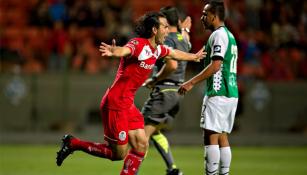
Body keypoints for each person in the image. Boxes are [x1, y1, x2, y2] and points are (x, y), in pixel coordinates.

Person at [56, 11, 205, 175]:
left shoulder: (157, 49)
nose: (167, 30)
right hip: (115, 103)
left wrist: (194, 57)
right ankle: (73, 143)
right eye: (164, 27)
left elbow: (174, 53)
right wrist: (115, 51)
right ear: (155, 30)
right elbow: (125, 50)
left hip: (127, 104)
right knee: (118, 154)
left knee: (142, 144)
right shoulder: (139, 44)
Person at [178, 1, 238, 175]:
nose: (202, 18)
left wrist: (191, 82)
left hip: (218, 93)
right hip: (231, 93)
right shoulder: (230, 35)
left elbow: (216, 65)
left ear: (214, 16)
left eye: (205, 14)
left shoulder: (218, 35)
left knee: (210, 136)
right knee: (222, 136)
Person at [141, 6, 191, 175]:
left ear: (166, 25)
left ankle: (130, 172)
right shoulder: (183, 39)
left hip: (165, 91)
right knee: (154, 132)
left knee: (140, 135)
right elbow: (185, 36)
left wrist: (154, 79)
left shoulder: (168, 39)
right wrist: (184, 28)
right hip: (178, 94)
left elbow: (172, 64)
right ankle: (173, 169)